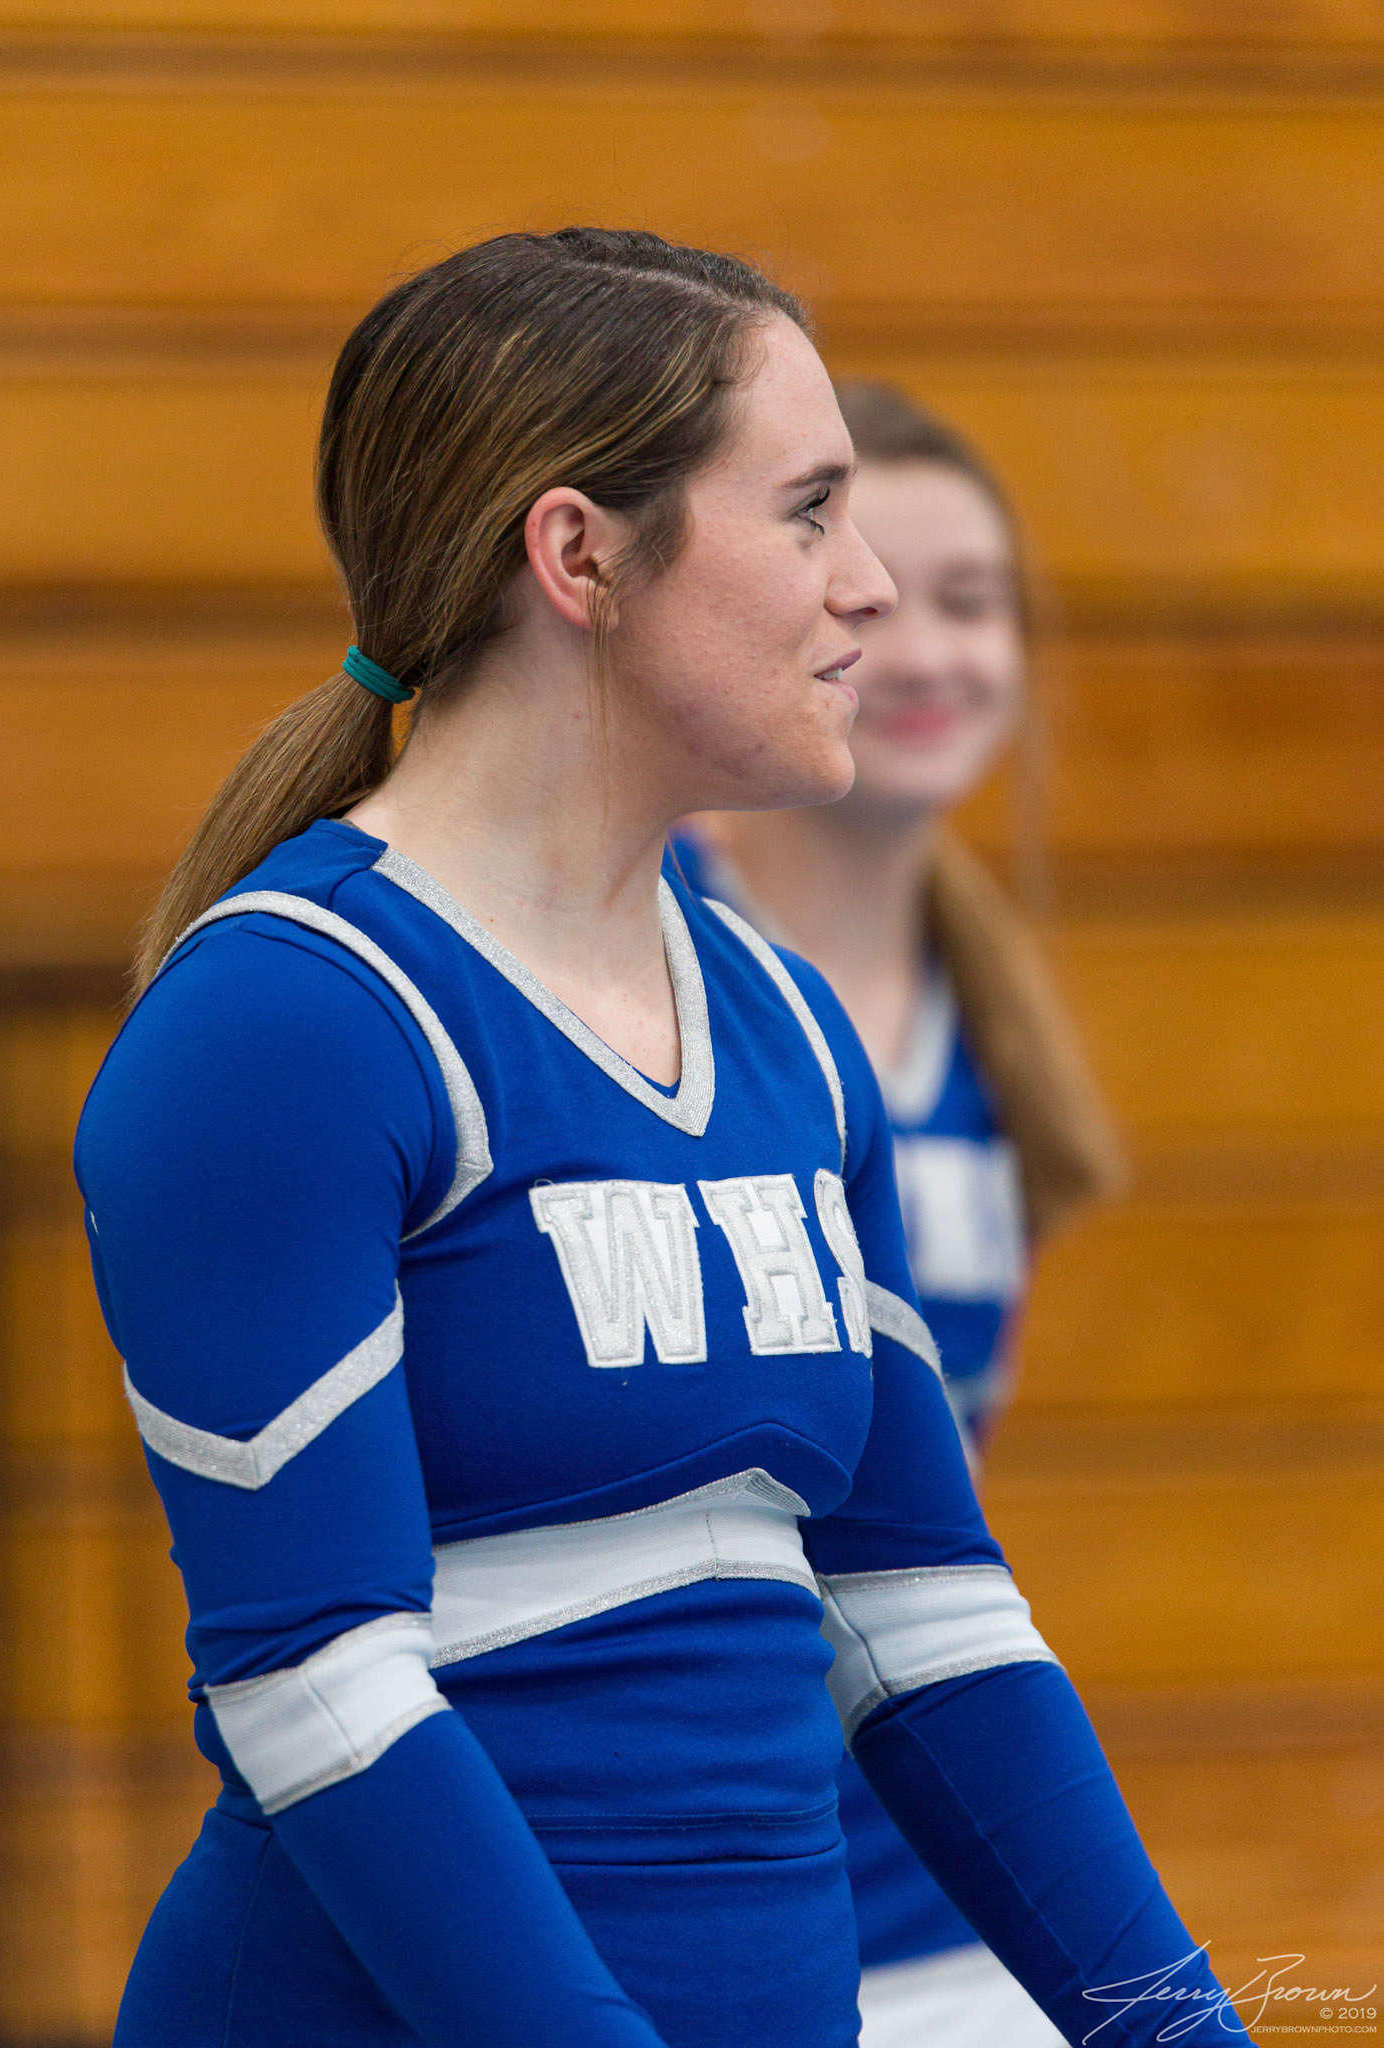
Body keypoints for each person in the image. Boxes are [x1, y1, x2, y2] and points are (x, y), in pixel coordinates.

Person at [74, 230, 1246, 2048]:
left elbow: (928, 1618)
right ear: (579, 557)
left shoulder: (782, 1024)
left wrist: (1174, 2031)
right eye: (808, 512)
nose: (866, 586)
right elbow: (313, 1683)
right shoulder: (292, 1021)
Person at [676, 383, 1128, 2046]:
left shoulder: (988, 1021)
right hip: (688, 1889)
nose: (927, 650)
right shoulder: (635, 952)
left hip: (936, 1894)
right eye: (877, 593)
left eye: (974, 601)